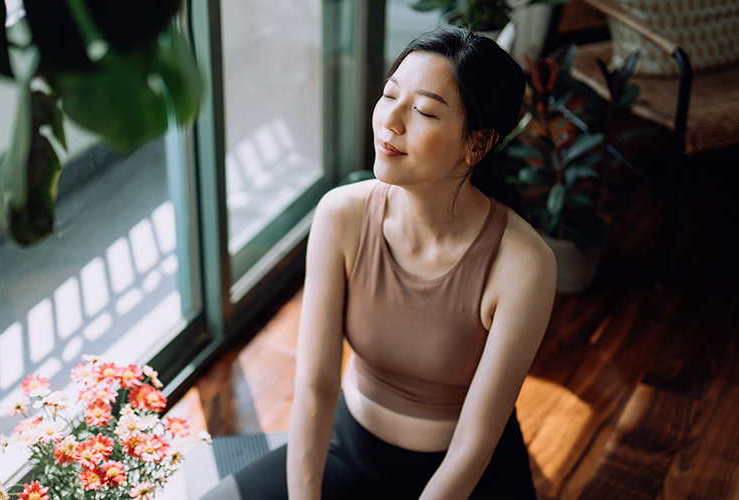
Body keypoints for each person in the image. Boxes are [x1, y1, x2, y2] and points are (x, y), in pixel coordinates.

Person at [201, 26, 557, 500]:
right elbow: (316, 385)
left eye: (425, 111)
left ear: (477, 144)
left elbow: (473, 445)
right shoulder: (341, 215)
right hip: (348, 452)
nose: (390, 120)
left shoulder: (524, 263)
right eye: (390, 94)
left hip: (467, 479)